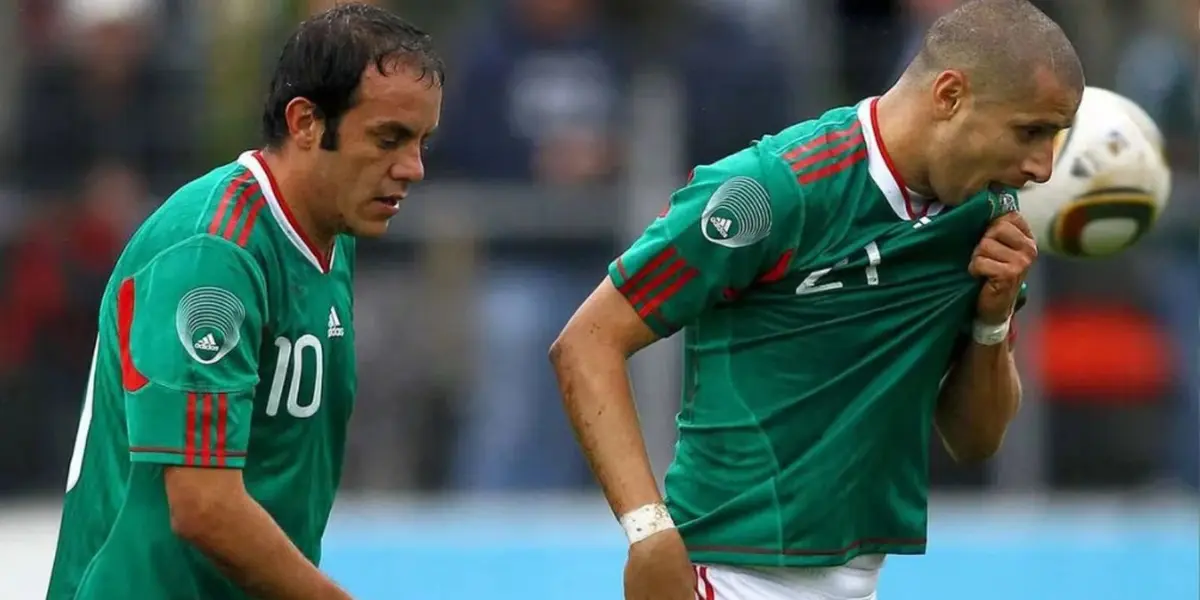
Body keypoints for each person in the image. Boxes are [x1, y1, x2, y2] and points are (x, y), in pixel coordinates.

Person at [548, 1, 1083, 599]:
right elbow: (587, 342)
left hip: (860, 581)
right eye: (1030, 131)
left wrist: (992, 319)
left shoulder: (985, 220)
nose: (1042, 168)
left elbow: (974, 440)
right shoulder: (777, 189)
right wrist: (647, 531)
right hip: (725, 573)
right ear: (951, 95)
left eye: (1054, 137)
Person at [45, 4, 443, 599]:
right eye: (388, 138)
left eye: (421, 141)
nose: (412, 168)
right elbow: (204, 504)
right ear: (306, 122)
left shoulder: (331, 236)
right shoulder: (212, 251)